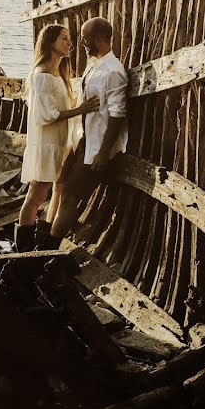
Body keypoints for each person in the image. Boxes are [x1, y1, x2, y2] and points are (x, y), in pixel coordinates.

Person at [44, 16, 128, 248]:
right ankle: (56, 232)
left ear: (99, 39)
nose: (80, 42)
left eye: (85, 38)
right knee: (60, 181)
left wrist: (103, 152)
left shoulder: (114, 71)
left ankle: (51, 245)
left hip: (98, 148)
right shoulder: (95, 66)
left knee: (71, 195)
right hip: (83, 140)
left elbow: (117, 115)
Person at [14, 24, 99, 252]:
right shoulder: (41, 75)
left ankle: (44, 237)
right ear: (50, 42)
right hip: (46, 144)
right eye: (64, 39)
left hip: (61, 142)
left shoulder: (58, 74)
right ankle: (22, 247)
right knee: (37, 194)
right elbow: (47, 115)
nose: (69, 43)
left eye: (69, 39)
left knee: (59, 188)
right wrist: (81, 109)